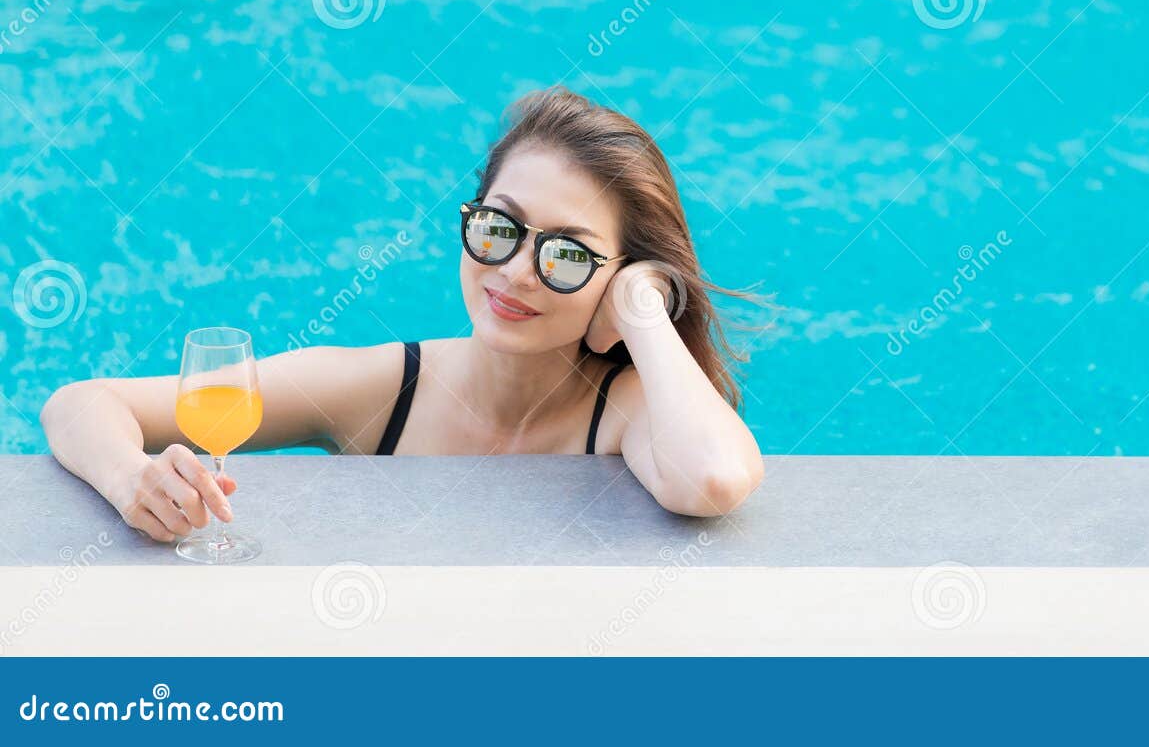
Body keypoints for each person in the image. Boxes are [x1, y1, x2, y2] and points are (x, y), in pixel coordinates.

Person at [42, 87, 764, 540]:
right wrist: (132, 478)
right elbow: (82, 402)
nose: (513, 270)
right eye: (498, 226)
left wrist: (643, 310)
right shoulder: (383, 391)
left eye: (568, 255)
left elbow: (714, 481)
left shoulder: (623, 411)